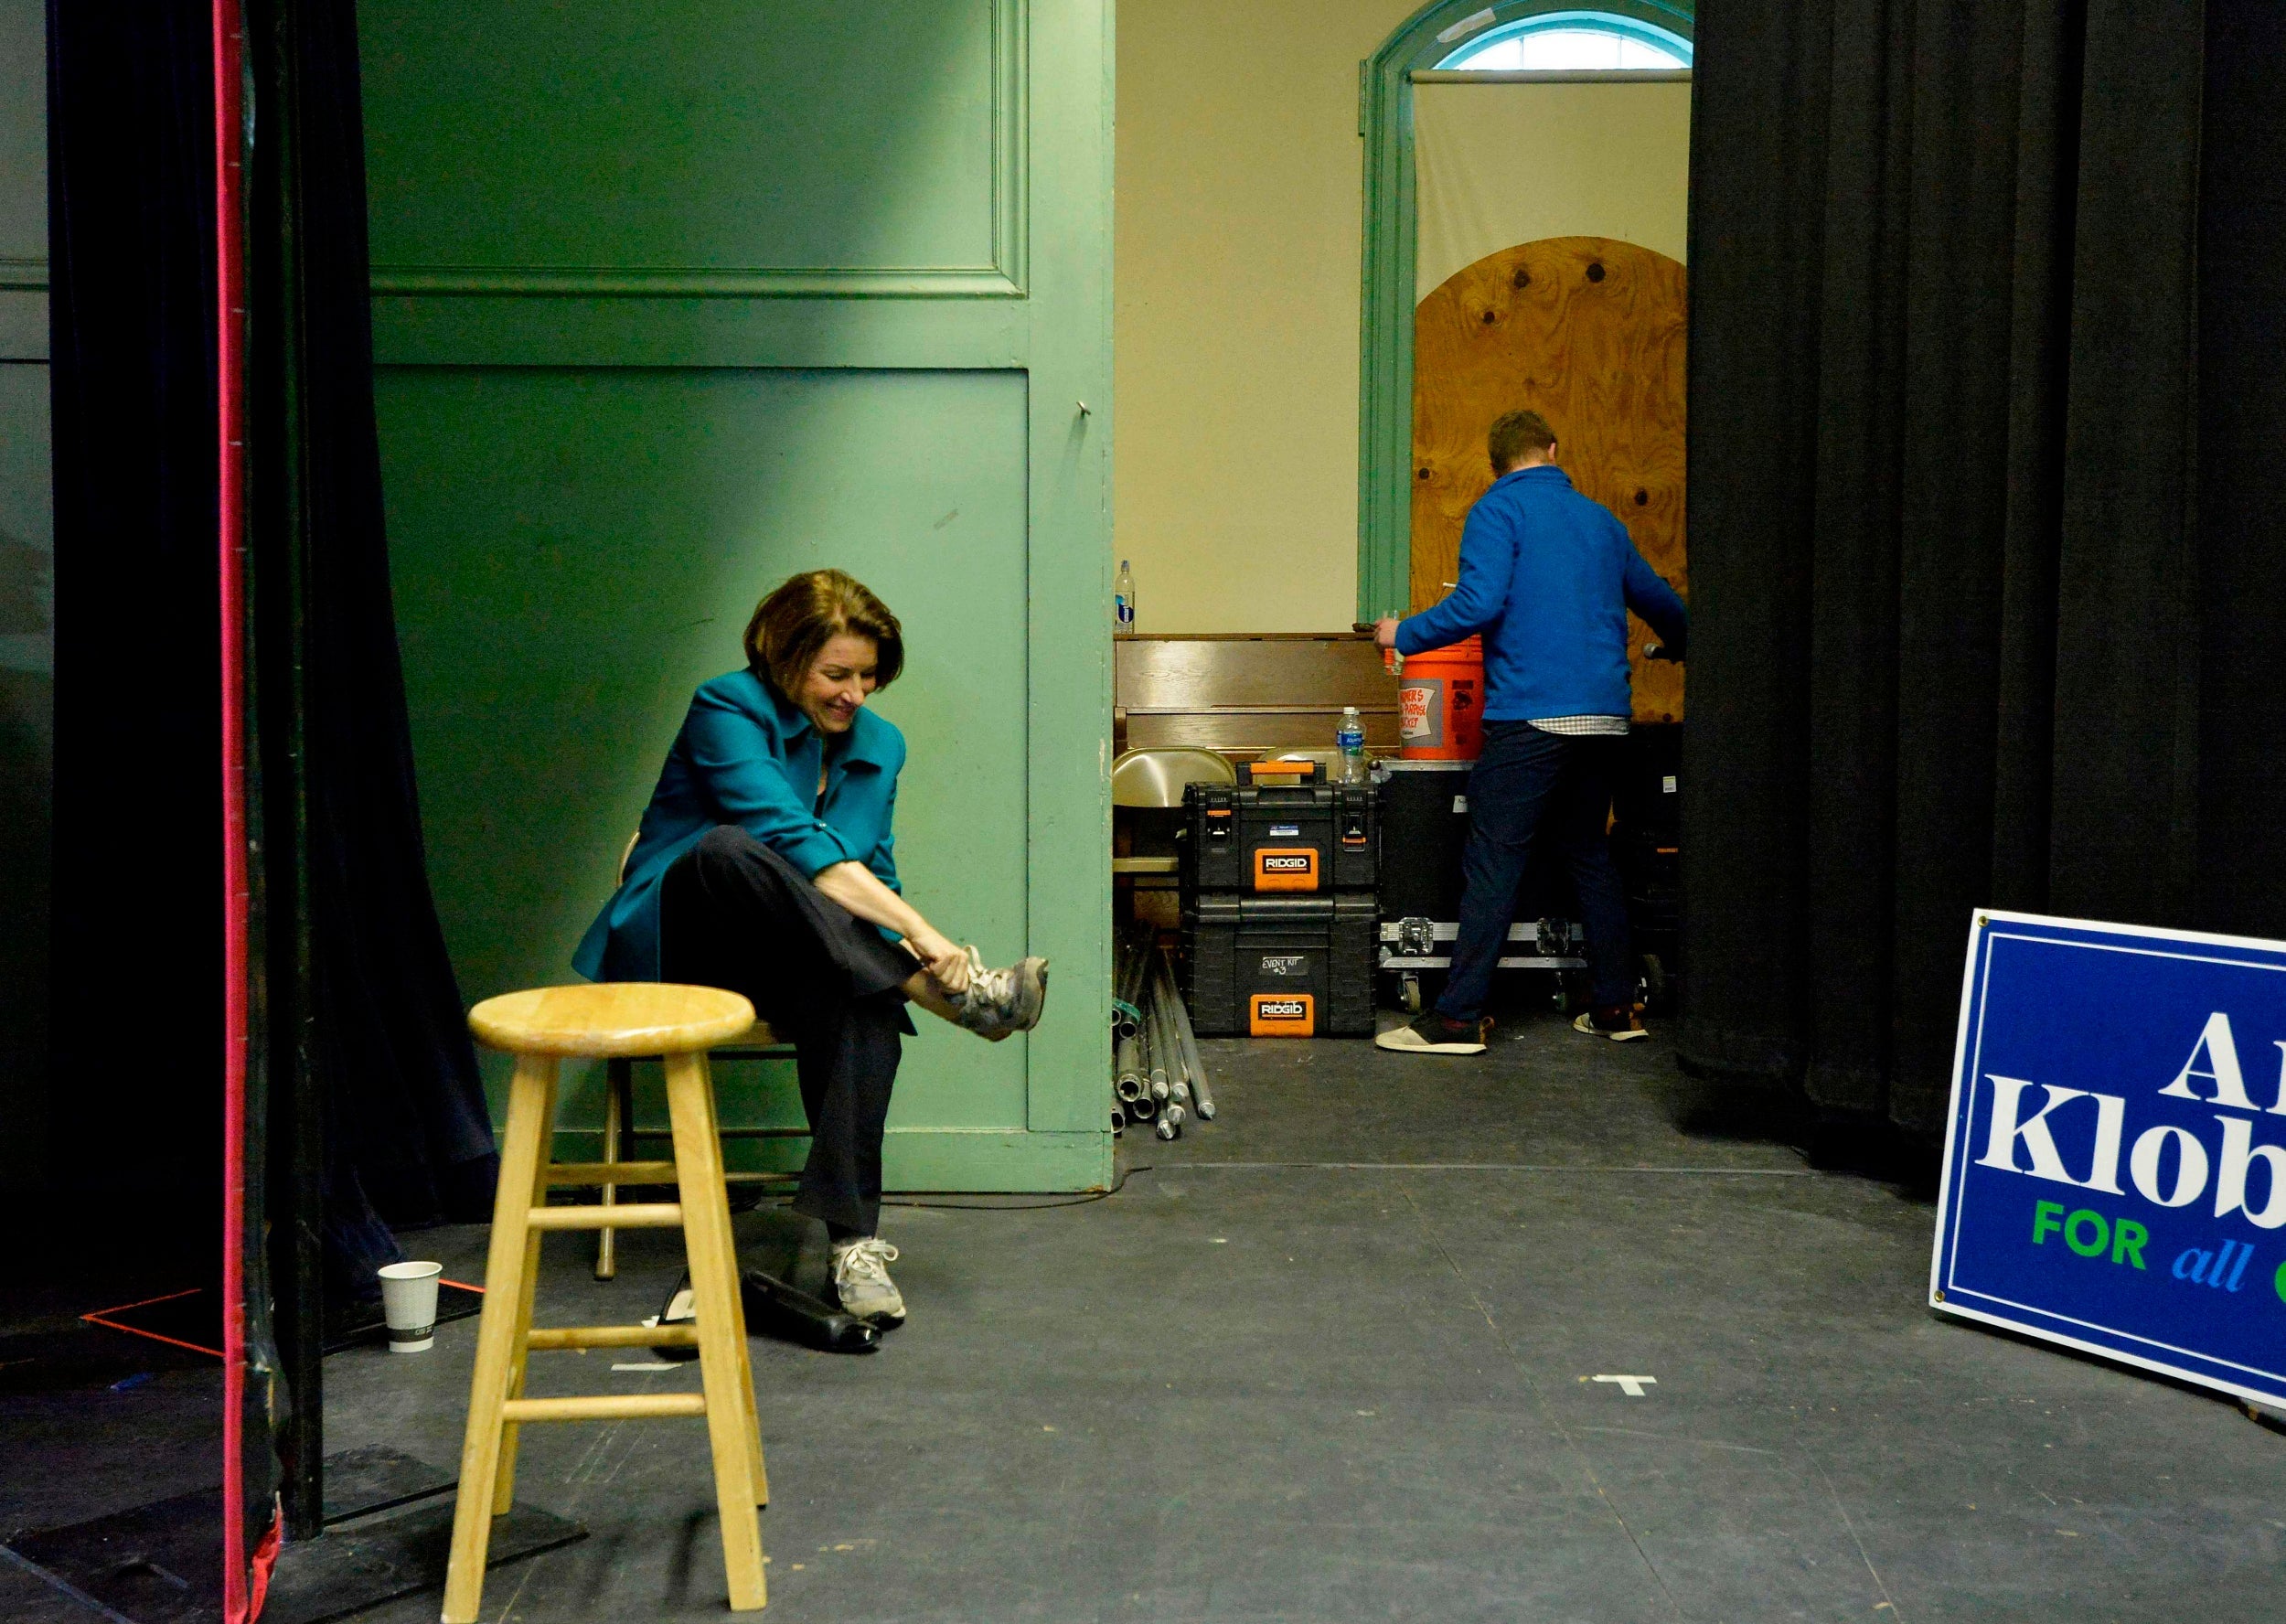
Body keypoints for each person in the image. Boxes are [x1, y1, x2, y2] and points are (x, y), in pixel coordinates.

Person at [573, 569, 1048, 1327]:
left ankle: (853, 1246)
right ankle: (943, 997)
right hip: (694, 946)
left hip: (806, 954)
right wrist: (925, 946)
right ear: (782, 657)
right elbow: (783, 836)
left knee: (859, 992)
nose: (853, 693)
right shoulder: (725, 704)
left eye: (867, 676)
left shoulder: (881, 745)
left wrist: (894, 936)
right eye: (836, 673)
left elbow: (872, 873)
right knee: (730, 849)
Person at [1373, 410, 1685, 1055]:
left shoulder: (1497, 512)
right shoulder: (1601, 521)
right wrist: (1681, 642)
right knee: (1589, 854)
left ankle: (1458, 1019)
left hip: (1532, 717)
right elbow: (1662, 603)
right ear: (1553, 448)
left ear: (1497, 464)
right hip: (1604, 720)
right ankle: (1615, 1007)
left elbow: (1477, 603)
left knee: (1493, 858)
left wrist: (1400, 635)